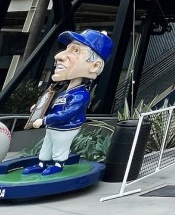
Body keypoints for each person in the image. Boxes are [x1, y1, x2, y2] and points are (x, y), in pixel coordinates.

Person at [24, 29, 112, 176]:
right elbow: (56, 106)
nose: (59, 56)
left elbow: (67, 113)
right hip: (53, 126)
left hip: (66, 127)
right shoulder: (65, 91)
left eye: (76, 50)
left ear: (95, 66)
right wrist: (40, 109)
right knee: (47, 145)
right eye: (67, 49)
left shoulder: (81, 94)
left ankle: (58, 165)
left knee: (60, 146)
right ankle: (41, 163)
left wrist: (45, 119)